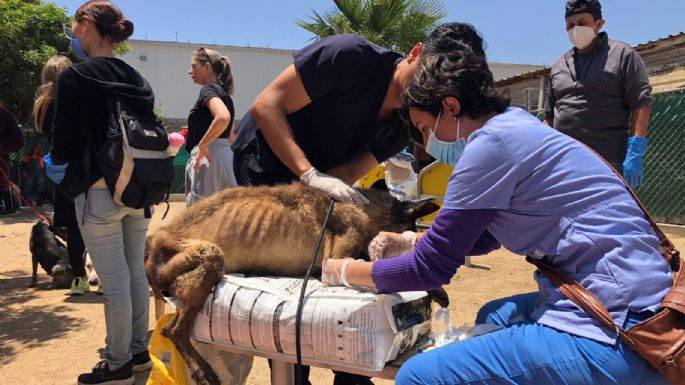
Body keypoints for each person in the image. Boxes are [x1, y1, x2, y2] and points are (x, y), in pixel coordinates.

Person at [322, 31, 671, 385]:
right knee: (494, 315)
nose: (427, 143)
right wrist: (413, 240)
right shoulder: (520, 125)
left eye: (425, 129)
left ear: (451, 106)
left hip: (616, 330)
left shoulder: (488, 147)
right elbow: (485, 235)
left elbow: (431, 269)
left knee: (417, 376)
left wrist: (343, 271)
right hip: (648, 299)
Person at [231, 22, 486, 385]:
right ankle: (291, 374)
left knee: (344, 280)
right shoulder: (348, 57)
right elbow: (266, 105)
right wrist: (307, 176)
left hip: (322, 174)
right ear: (415, 52)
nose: (426, 89)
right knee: (289, 283)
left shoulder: (406, 119)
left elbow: (353, 168)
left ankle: (351, 374)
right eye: (426, 74)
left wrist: (327, 190)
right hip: (268, 163)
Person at [45, 2, 154, 384]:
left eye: (75, 25)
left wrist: (55, 165)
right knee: (135, 275)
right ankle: (140, 353)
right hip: (139, 189)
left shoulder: (76, 77)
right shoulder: (137, 78)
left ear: (88, 24)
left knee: (114, 281)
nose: (73, 33)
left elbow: (65, 137)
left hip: (97, 189)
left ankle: (117, 363)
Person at [544, 0, 653, 189]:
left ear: (599, 23)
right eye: (570, 25)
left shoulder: (622, 55)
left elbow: (640, 103)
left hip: (608, 164)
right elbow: (549, 116)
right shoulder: (559, 65)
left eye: (582, 22)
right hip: (565, 166)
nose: (575, 29)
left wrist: (635, 151)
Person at [33, 54, 90, 295]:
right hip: (84, 171)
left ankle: (80, 282)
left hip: (60, 173)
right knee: (94, 226)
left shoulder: (42, 106)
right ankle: (101, 277)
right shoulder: (74, 105)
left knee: (75, 229)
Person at [185, 46, 237, 206]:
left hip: (208, 158)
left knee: (201, 219)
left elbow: (222, 117)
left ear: (207, 67)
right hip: (225, 158)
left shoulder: (208, 90)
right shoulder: (224, 94)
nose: (189, 71)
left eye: (194, 66)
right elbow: (230, 135)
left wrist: (202, 144)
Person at [0, 103, 23, 215]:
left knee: (2, 182)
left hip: (1, 159)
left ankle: (9, 207)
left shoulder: (6, 117)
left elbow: (18, 141)